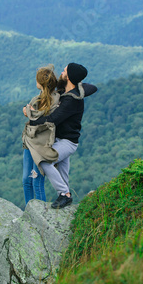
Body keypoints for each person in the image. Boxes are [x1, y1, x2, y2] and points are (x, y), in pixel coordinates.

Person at [29, 63, 97, 209]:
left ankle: (64, 194)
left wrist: (31, 119)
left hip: (68, 142)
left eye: (64, 71)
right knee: (62, 173)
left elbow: (53, 119)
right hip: (61, 139)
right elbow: (92, 87)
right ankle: (66, 196)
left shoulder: (72, 100)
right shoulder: (67, 88)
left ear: (70, 76)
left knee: (45, 161)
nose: (61, 72)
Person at [22, 65, 59, 205]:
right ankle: (29, 212)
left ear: (41, 83)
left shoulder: (54, 100)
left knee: (36, 181)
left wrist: (29, 111)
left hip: (41, 146)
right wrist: (28, 110)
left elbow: (43, 119)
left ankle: (41, 215)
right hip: (29, 141)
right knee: (26, 180)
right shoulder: (36, 99)